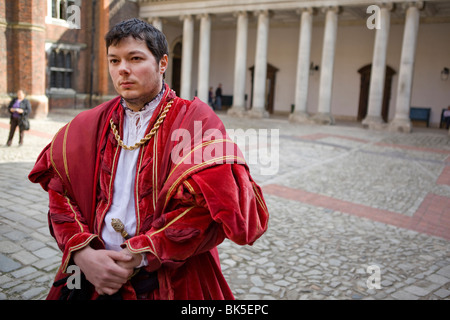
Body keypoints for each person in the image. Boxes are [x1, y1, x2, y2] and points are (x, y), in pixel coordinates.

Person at [29, 18, 268, 300]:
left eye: (135, 58)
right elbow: (61, 192)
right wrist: (82, 253)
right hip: (93, 276)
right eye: (114, 61)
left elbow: (205, 211)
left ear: (162, 63)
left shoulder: (194, 122)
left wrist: (142, 252)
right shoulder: (89, 124)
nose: (123, 70)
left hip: (167, 280)